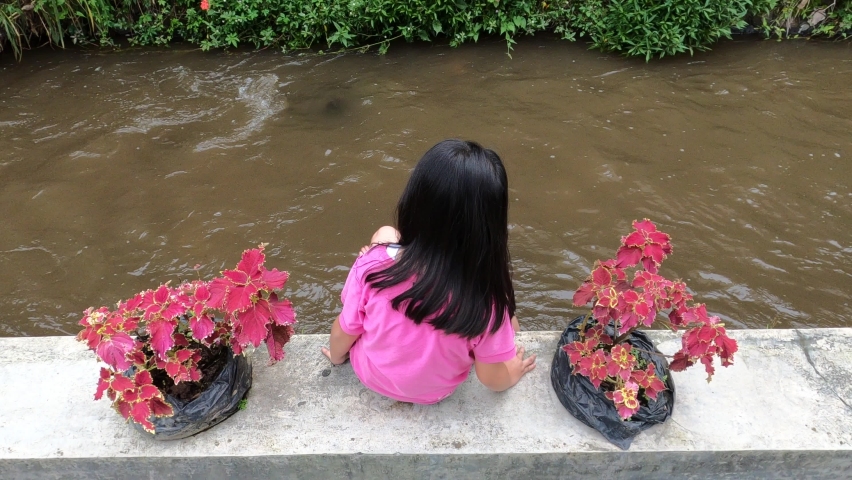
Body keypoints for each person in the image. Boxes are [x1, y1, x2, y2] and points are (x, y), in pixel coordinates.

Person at [321, 139, 536, 404]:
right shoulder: (486, 302)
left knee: (386, 233)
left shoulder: (372, 267)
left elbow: (344, 330)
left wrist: (337, 357)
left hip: (370, 374)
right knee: (509, 325)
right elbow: (491, 379)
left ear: (414, 202)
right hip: (434, 393)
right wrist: (513, 372)